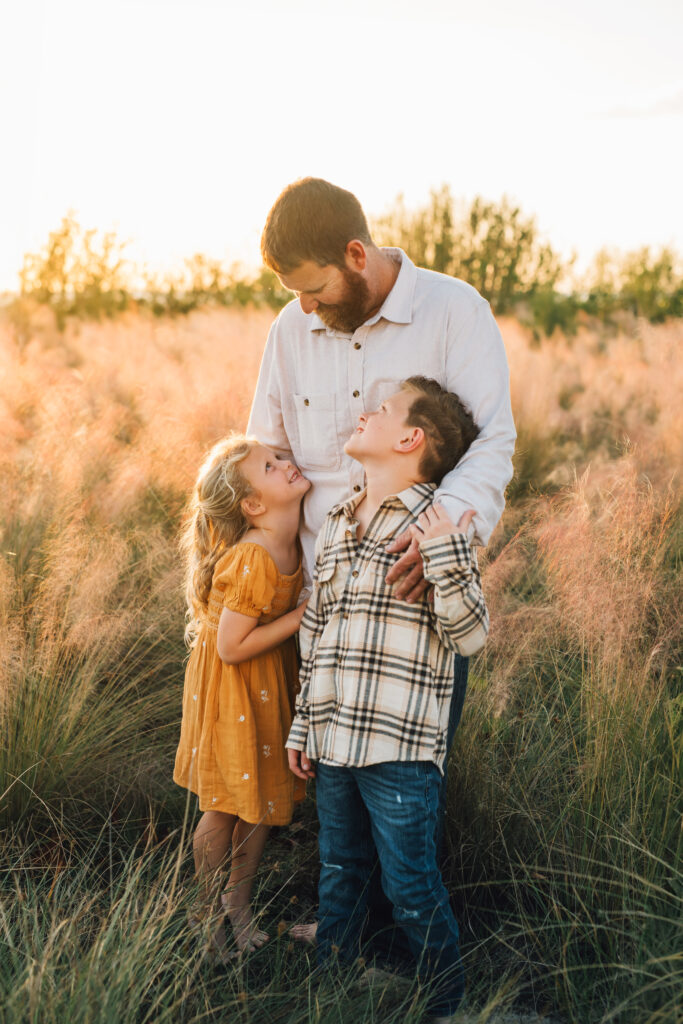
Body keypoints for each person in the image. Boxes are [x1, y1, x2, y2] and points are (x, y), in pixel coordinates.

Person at [248, 177, 515, 942]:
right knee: (329, 787)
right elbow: (265, 444)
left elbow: (490, 439)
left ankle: (415, 946)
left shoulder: (452, 310)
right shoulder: (288, 331)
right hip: (320, 603)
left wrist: (432, 537)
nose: (304, 307)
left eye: (315, 287)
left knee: (404, 786)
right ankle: (345, 935)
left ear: (356, 254)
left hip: (415, 598)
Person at [287, 377, 488, 1022]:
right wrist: (302, 727)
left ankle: (443, 1001)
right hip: (336, 741)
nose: (363, 414)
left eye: (381, 409)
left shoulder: (437, 526)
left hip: (399, 749)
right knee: (340, 872)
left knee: (410, 885)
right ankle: (331, 988)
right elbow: (317, 635)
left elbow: (472, 634)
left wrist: (447, 557)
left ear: (410, 438)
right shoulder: (341, 520)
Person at [173, 435, 310, 957]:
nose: (287, 464)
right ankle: (205, 915)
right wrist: (300, 617)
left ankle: (239, 904)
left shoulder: (294, 536)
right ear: (253, 506)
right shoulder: (254, 555)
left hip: (266, 680)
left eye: (280, 458)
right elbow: (231, 647)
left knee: (260, 800)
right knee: (228, 804)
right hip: (234, 685)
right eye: (272, 466)